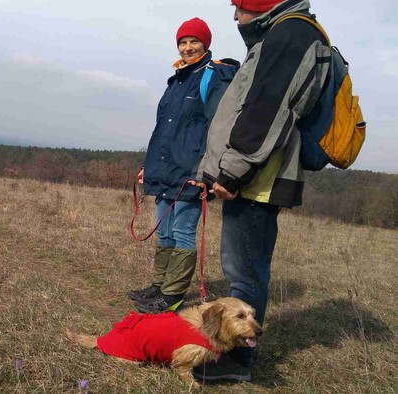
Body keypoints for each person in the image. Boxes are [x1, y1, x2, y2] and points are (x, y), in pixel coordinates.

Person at [192, 0, 332, 382]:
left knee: (245, 272)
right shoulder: (279, 33)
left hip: (257, 180)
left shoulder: (291, 33)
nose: (235, 16)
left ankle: (236, 363)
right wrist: (212, 169)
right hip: (252, 176)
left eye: (239, 6)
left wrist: (233, 170)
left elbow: (267, 111)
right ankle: (230, 350)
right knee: (242, 269)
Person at [129, 18, 239, 313]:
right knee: (164, 230)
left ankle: (172, 295)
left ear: (206, 44)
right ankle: (158, 286)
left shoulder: (212, 76)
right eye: (183, 42)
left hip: (191, 171)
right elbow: (164, 131)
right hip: (165, 169)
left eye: (194, 42)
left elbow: (217, 127)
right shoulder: (177, 79)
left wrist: (206, 171)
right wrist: (149, 166)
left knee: (181, 232)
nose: (188, 47)